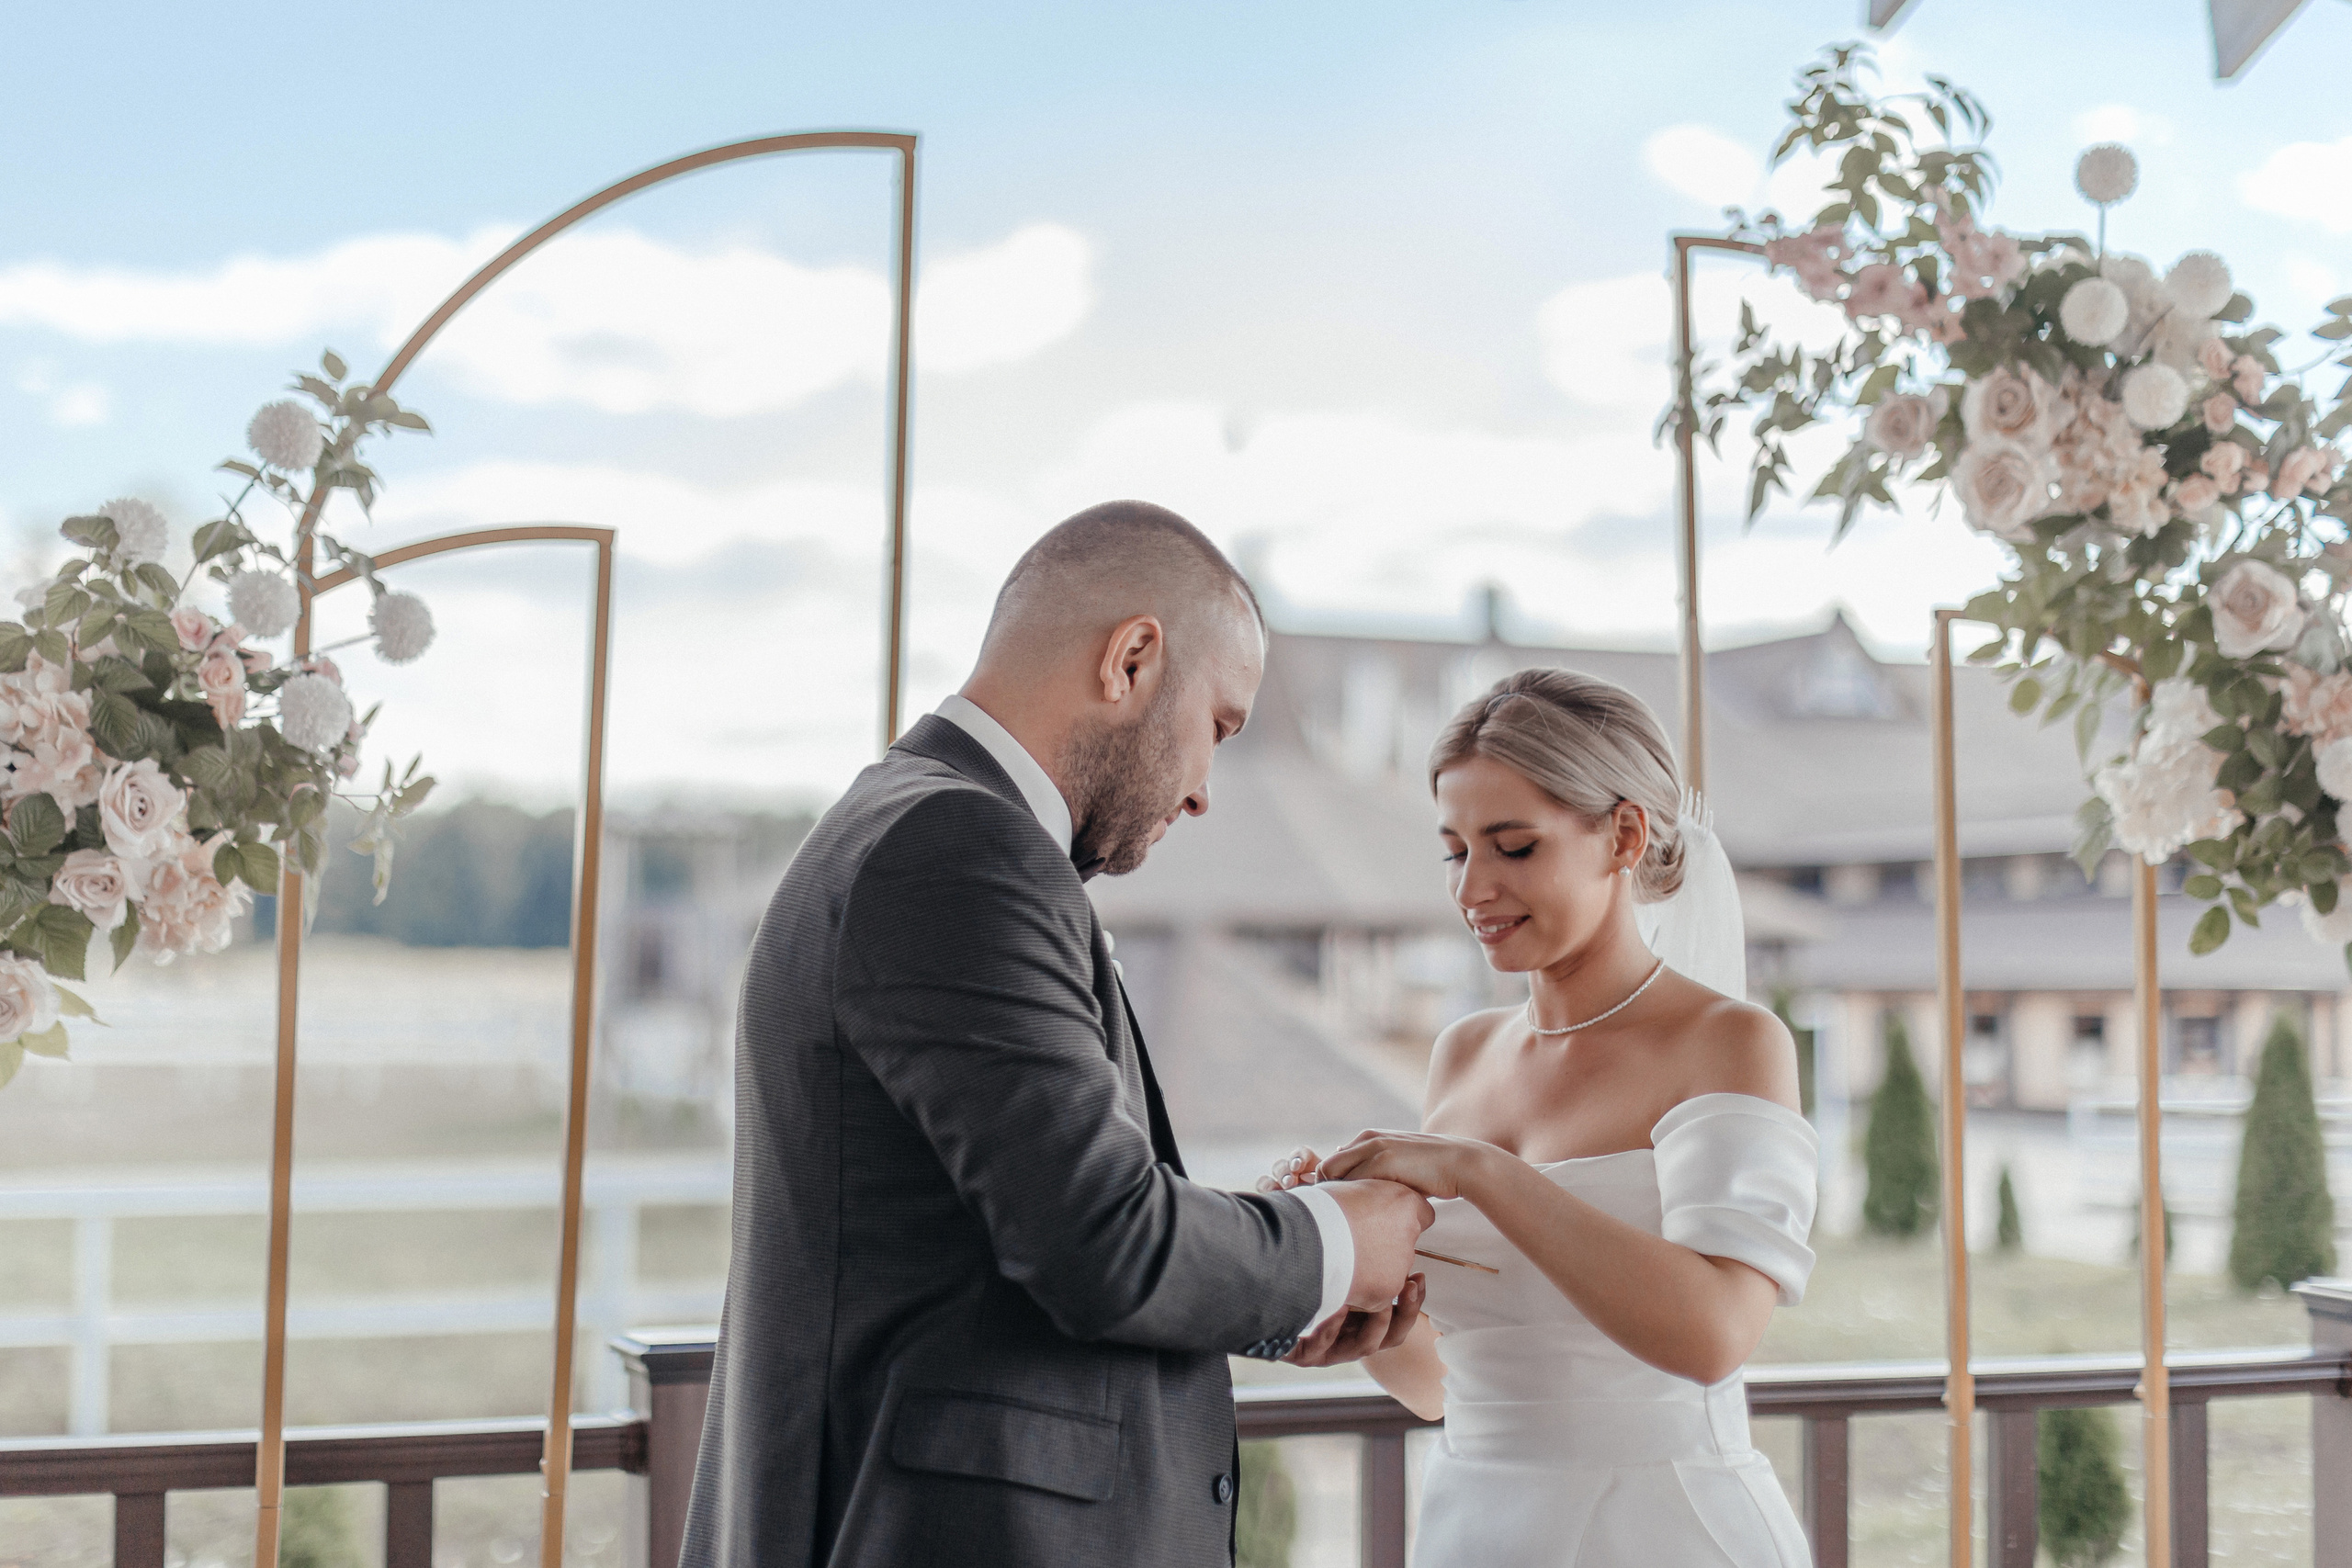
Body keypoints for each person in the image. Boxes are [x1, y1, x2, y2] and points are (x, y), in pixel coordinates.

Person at [678, 501, 1434, 1568]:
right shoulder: (959, 849)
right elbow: (1103, 1245)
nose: (1207, 791)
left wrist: (1277, 1292)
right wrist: (1341, 1237)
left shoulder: (911, 821)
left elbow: (1017, 1230)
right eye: (1217, 725)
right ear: (1130, 658)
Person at [1264, 667, 1818, 1566]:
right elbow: (1454, 1386)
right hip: (1473, 1525)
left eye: (1513, 846)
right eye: (1455, 850)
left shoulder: (1728, 1041)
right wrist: (1355, 1322)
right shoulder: (1463, 1053)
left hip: (1663, 1530)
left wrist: (1477, 1171)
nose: (1471, 890)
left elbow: (1714, 1334)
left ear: (1624, 835)